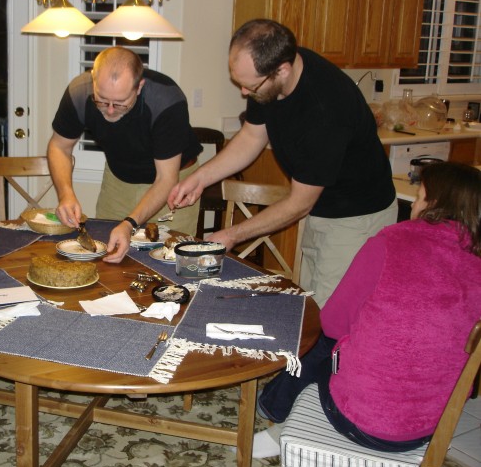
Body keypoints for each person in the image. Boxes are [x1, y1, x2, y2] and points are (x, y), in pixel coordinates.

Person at [252, 162, 481, 457]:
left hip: (357, 420)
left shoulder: (390, 242)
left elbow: (333, 323)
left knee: (323, 342)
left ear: (435, 204)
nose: (413, 205)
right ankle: (274, 404)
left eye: (420, 196)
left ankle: (276, 413)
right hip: (432, 428)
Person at [168, 19, 398, 307]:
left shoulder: (325, 109)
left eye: (248, 85)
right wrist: (200, 178)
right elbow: (252, 137)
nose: (243, 92)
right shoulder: (270, 79)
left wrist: (231, 235)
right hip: (323, 207)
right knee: (310, 304)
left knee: (330, 315)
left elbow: (299, 203)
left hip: (357, 217)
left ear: (283, 69)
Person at [48, 46, 203, 263]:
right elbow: (59, 147)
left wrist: (130, 222)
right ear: (93, 80)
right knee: (109, 252)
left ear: (139, 87)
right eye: (102, 100)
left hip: (175, 185)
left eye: (120, 103)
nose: (110, 110)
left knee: (171, 260)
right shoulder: (79, 92)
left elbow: (166, 178)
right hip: (119, 180)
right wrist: (66, 194)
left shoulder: (166, 100)